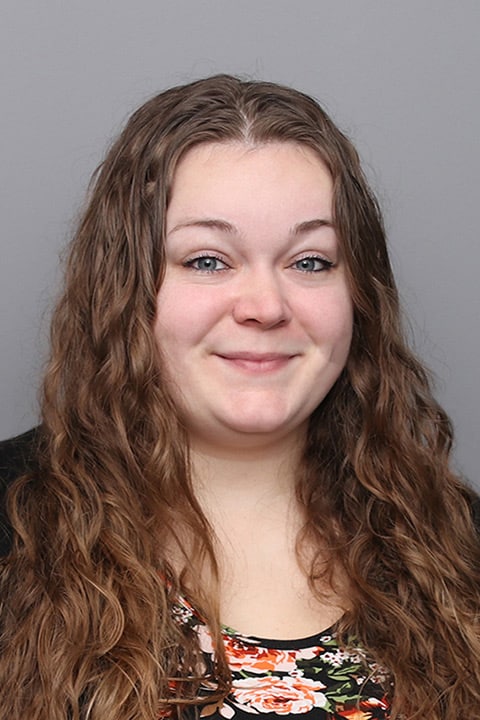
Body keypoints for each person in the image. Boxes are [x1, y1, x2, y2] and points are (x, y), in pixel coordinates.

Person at [0, 75, 479, 720]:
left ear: (359, 295)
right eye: (208, 260)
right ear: (125, 287)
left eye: (310, 261)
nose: (265, 306)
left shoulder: (459, 546)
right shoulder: (12, 525)